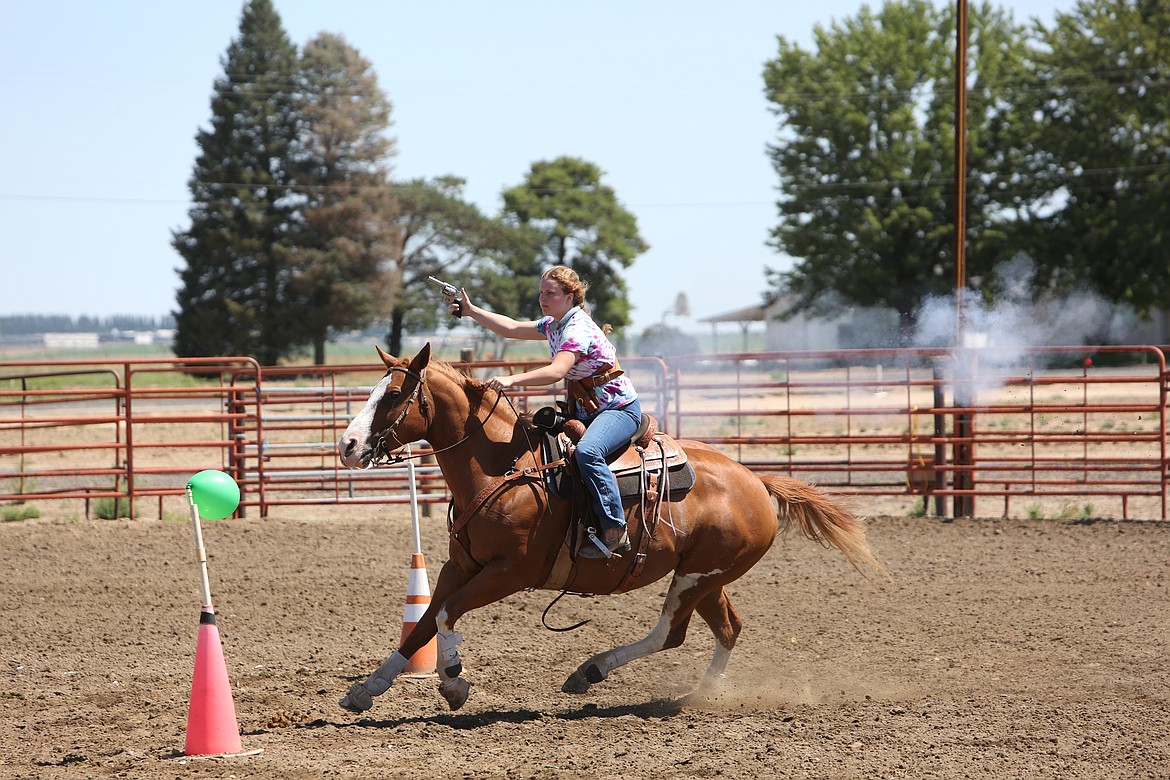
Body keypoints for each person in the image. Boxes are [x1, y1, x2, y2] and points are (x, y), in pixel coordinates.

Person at [448, 266, 640, 558]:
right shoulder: (554, 323)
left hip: (619, 409)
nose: (543, 298)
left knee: (588, 453)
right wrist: (472, 311)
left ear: (570, 296)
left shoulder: (577, 328)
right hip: (588, 411)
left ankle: (615, 528)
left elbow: (557, 370)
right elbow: (511, 328)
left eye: (550, 293)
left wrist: (513, 379)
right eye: (541, 292)